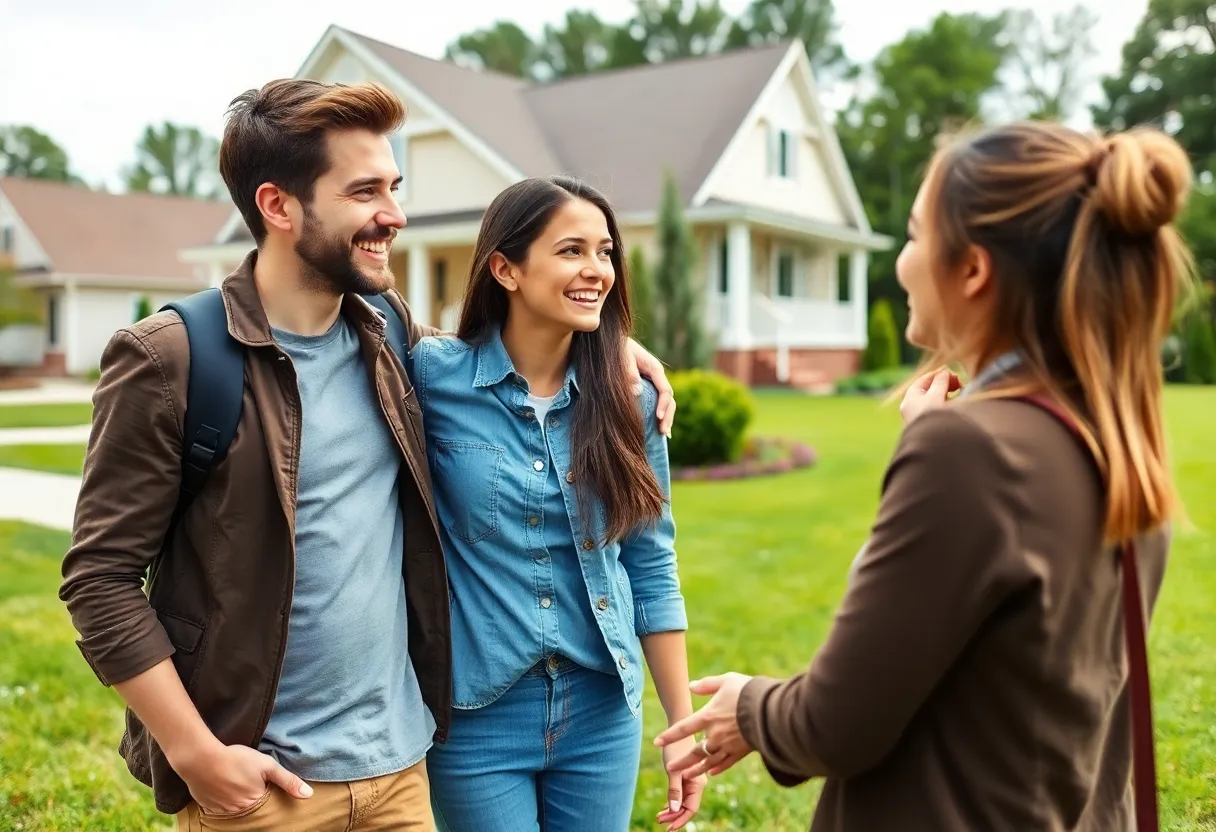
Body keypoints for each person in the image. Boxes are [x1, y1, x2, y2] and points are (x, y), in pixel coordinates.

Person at [58, 79, 675, 832]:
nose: (394, 214)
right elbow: (100, 579)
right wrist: (195, 752)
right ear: (278, 205)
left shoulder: (387, 333)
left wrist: (607, 346)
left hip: (400, 773)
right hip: (265, 785)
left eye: (393, 187)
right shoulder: (172, 359)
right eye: (364, 192)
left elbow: (499, 359)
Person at [656, 120, 1194, 831]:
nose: (903, 262)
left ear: (972, 270)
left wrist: (748, 707)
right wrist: (933, 441)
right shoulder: (1113, 440)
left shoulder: (970, 453)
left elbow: (837, 722)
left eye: (914, 235)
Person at [409, 175, 704, 832]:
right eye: (572, 251)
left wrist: (681, 727)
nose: (597, 270)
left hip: (601, 713)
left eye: (605, 252)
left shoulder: (632, 401)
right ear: (505, 269)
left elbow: (651, 564)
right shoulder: (432, 376)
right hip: (476, 717)